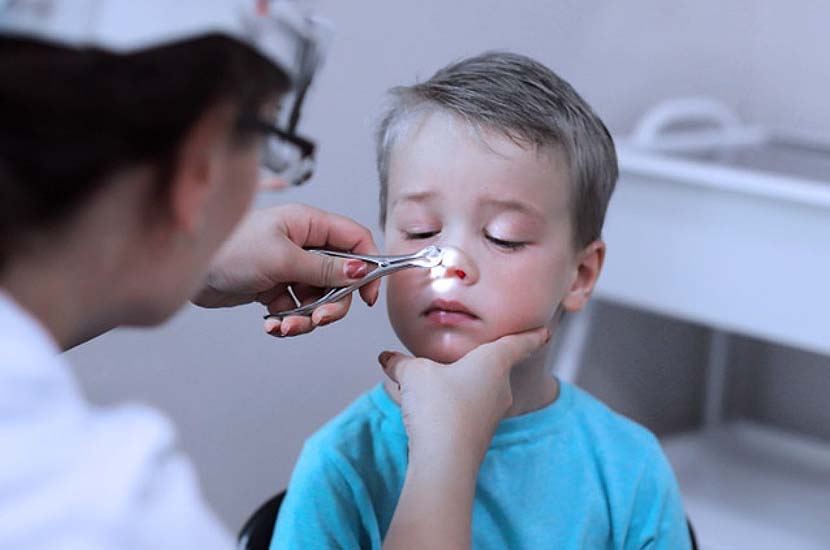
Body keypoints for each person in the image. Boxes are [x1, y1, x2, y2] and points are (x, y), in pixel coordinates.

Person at [0, 3, 548, 549]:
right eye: (421, 229)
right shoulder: (105, 516)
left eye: (505, 237)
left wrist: (189, 256)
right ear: (198, 170)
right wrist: (448, 451)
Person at [271, 52, 692, 549]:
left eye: (504, 236)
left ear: (580, 275)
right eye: (420, 230)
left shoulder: (630, 471)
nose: (450, 262)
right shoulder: (342, 468)